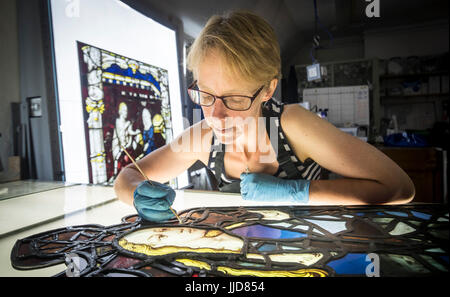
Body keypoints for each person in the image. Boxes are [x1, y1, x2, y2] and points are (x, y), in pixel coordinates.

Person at [114, 11, 415, 222]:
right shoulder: (202, 138)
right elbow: (126, 177)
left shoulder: (293, 125)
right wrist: (138, 194)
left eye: (234, 98)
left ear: (268, 88)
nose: (216, 115)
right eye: (205, 95)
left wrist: (298, 192)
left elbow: (399, 187)